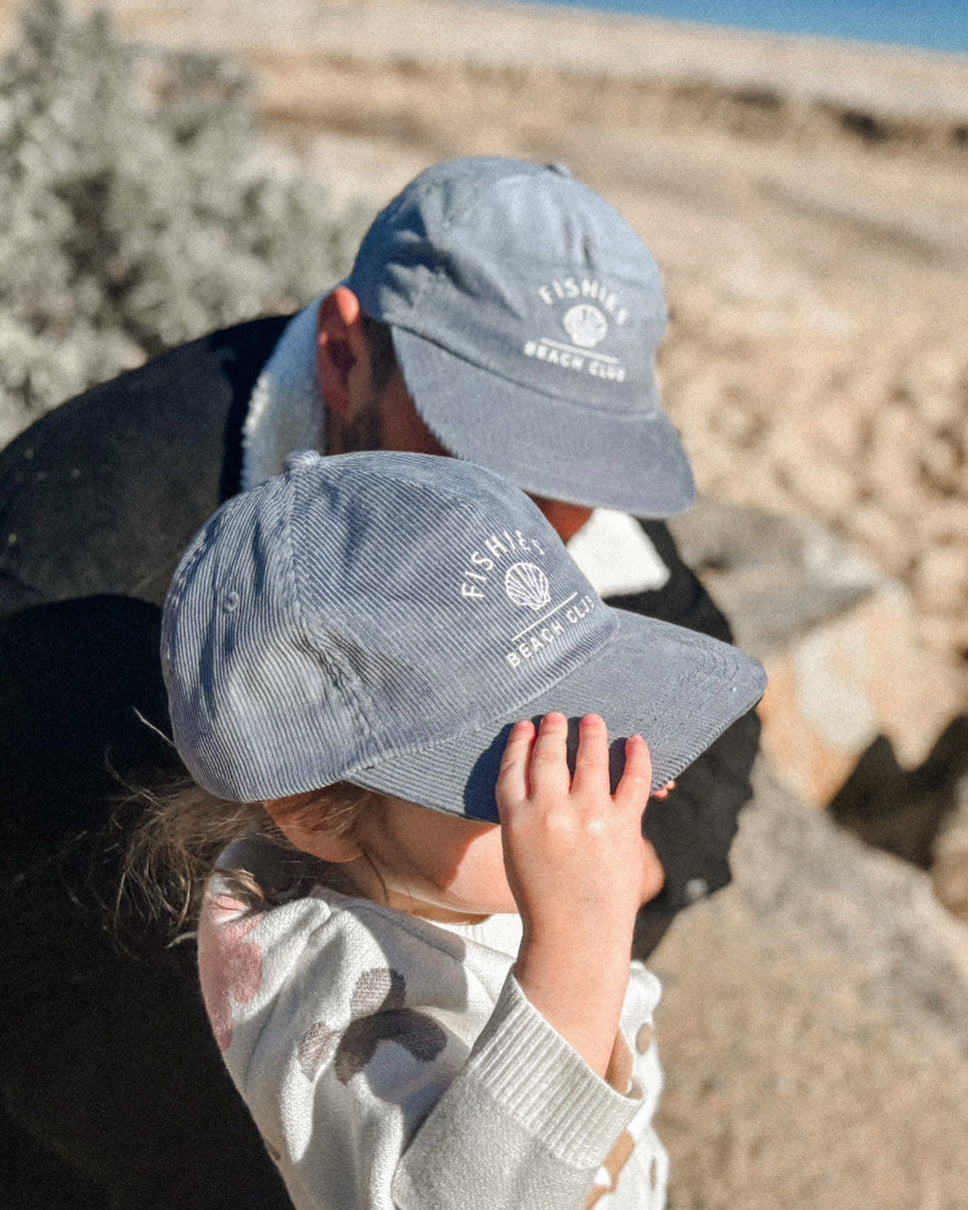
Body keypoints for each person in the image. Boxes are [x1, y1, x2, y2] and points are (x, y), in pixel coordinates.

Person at [0, 157, 760, 1207]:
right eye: (492, 447)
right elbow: (59, 1028)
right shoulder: (69, 565)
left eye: (581, 468)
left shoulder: (528, 509)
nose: (539, 521)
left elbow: (700, 679)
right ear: (345, 352)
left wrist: (609, 868)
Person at [143, 449, 766, 1210]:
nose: (592, 787)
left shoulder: (450, 882)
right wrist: (580, 935)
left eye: (587, 728)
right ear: (314, 812)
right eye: (517, 776)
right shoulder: (327, 998)